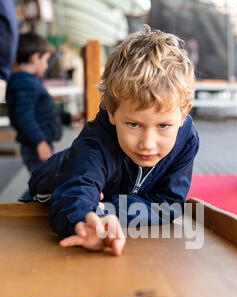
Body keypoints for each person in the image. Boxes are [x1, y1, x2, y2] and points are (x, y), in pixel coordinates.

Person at [29, 26, 199, 256]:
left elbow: (168, 204)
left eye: (163, 126)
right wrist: (84, 221)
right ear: (111, 111)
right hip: (47, 191)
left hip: (107, 199)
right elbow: (75, 192)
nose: (147, 144)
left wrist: (108, 209)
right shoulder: (95, 142)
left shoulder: (186, 139)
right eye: (133, 124)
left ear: (183, 114)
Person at [5, 33, 63, 175]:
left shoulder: (28, 81)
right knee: (44, 184)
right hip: (36, 146)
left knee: (45, 183)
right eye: (46, 60)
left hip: (40, 143)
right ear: (35, 58)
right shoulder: (23, 83)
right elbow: (24, 117)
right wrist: (40, 142)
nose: (46, 65)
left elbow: (42, 111)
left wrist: (68, 117)